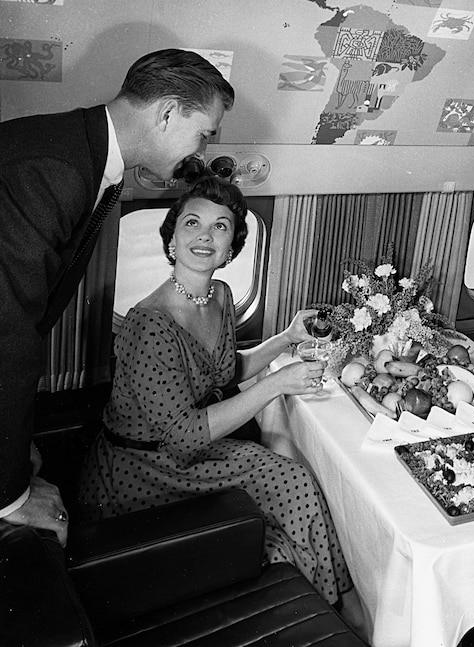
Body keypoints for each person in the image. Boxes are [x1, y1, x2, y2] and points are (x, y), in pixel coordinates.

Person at [76, 177, 366, 633]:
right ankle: (338, 610)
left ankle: (337, 606)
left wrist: (287, 338)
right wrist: (277, 386)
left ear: (232, 248)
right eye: (191, 223)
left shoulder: (220, 296)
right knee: (289, 478)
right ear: (171, 239)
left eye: (220, 227)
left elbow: (227, 371)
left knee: (292, 476)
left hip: (186, 452)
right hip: (144, 467)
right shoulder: (150, 323)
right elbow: (185, 437)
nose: (204, 236)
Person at [0, 48, 235, 546]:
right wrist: (11, 494)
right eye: (204, 134)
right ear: (168, 112)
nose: (200, 152)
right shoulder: (56, 171)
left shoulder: (79, 153)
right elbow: (8, 333)